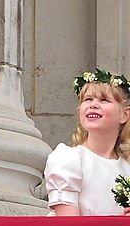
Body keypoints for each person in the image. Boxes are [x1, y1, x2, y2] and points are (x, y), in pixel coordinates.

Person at [44, 69, 130, 216]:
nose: (93, 105)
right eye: (88, 99)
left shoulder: (127, 166)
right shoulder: (69, 159)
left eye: (104, 100)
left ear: (124, 115)